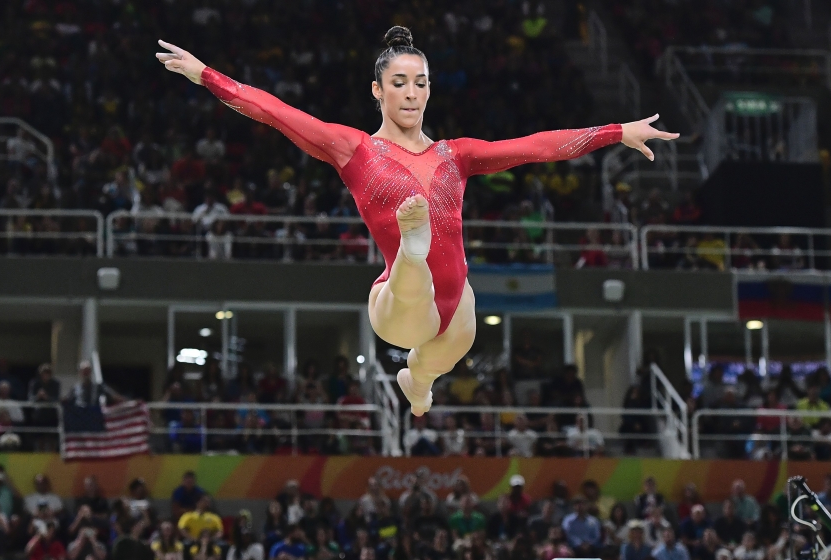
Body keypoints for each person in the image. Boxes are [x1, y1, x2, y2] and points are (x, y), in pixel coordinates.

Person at [156, 29, 676, 416]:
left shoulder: (457, 154)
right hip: (400, 302)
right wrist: (205, 74)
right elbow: (275, 112)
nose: (411, 93)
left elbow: (535, 147)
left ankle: (419, 383)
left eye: (420, 83)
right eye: (398, 83)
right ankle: (411, 248)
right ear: (377, 91)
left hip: (457, 306)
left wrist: (616, 131)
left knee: (433, 362)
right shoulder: (355, 149)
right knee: (417, 285)